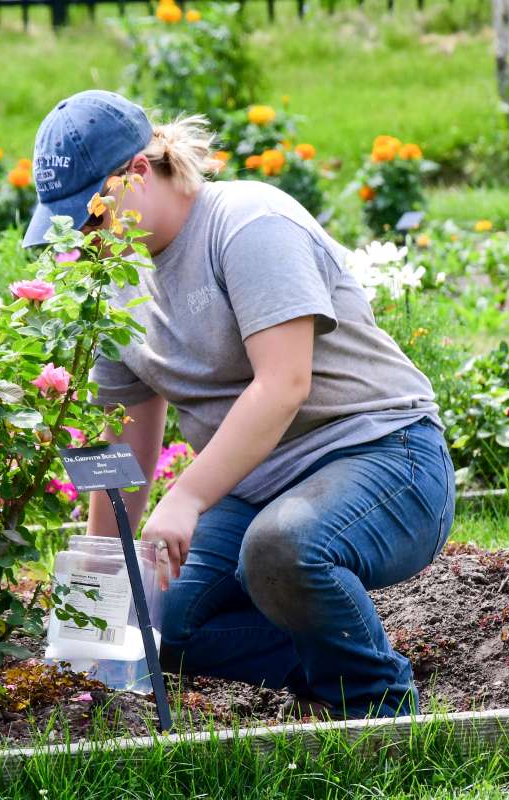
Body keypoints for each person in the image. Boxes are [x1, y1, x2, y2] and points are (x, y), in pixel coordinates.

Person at [23, 90, 455, 719]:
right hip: (261, 488)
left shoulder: (248, 224)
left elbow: (284, 385)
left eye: (91, 215)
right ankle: (330, 659)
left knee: (281, 549)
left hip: (385, 456)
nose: (84, 236)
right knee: (157, 623)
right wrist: (104, 588)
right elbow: (123, 451)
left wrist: (189, 497)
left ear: (139, 172)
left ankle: (380, 711)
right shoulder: (114, 280)